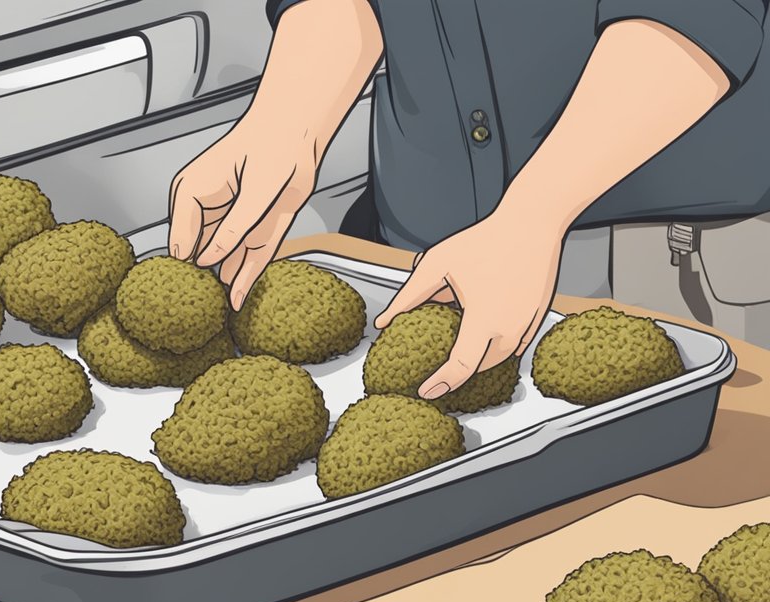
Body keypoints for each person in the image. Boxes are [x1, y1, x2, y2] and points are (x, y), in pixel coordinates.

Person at [169, 0, 770, 399]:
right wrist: (285, 121)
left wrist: (533, 214)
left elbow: (695, 12)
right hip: (416, 247)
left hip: (659, 256)